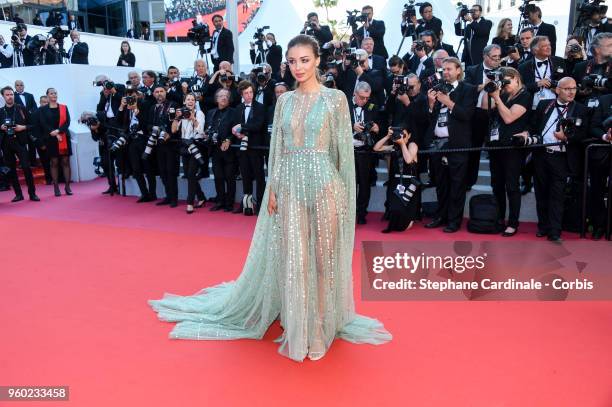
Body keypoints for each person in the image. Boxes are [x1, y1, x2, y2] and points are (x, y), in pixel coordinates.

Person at [149, 34, 392, 363]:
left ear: (318, 60)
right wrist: (273, 188)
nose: (298, 67)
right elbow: (277, 152)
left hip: (324, 184)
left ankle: (319, 326)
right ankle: (298, 324)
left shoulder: (335, 99)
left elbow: (342, 155)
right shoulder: (284, 101)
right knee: (295, 261)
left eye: (305, 60)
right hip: (289, 185)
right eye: (292, 61)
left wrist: (344, 196)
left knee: (322, 261)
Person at [517, 77, 588, 241]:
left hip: (562, 157)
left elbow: (583, 134)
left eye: (574, 89)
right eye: (567, 89)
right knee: (541, 192)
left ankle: (554, 231)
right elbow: (533, 125)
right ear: (557, 90)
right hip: (541, 154)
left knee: (557, 195)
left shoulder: (581, 109)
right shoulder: (544, 104)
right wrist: (527, 133)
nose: (571, 92)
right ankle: (543, 226)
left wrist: (566, 138)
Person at [425, 57, 477, 232]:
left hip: (457, 144)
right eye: (443, 69)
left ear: (458, 71)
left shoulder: (467, 90)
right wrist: (432, 105)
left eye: (449, 69)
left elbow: (467, 115)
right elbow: (429, 120)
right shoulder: (436, 90)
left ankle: (454, 221)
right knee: (441, 184)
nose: (445, 72)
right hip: (437, 144)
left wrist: (448, 102)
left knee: (457, 185)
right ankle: (440, 217)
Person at [481, 67, 531, 236]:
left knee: (511, 185)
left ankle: (513, 222)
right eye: (503, 81)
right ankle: (499, 218)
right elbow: (484, 107)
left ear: (517, 79)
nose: (506, 85)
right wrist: (488, 89)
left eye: (508, 81)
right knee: (497, 185)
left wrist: (497, 97)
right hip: (496, 146)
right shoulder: (502, 93)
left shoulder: (525, 95)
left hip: (512, 148)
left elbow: (509, 117)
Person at [374, 127, 420, 233]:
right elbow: (376, 148)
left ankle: (409, 220)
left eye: (404, 134)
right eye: (400, 134)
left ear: (409, 135)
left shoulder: (412, 145)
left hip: (409, 183)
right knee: (395, 208)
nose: (401, 137)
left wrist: (403, 144)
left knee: (404, 215)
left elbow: (408, 160)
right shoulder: (394, 147)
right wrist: (388, 136)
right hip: (396, 181)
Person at [231, 81, 266, 215]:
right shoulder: (238, 108)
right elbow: (234, 126)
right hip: (242, 147)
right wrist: (237, 132)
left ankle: (261, 205)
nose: (249, 95)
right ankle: (247, 204)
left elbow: (257, 125)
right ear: (241, 94)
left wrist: (241, 127)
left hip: (256, 147)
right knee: (245, 176)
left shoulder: (260, 107)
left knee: (259, 177)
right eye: (246, 93)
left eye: (251, 92)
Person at [0, 86, 39, 202]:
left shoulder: (22, 109)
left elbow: (33, 124)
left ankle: (32, 193)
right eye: (7, 95)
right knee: (11, 170)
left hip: (20, 142)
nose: (10, 96)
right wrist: (0, 127)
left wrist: (23, 127)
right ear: (3, 96)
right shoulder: (1, 112)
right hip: (6, 143)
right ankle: (18, 194)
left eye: (11, 94)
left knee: (26, 168)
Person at [172, 93, 206, 214]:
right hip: (184, 147)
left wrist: (193, 118)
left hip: (195, 146)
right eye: (188, 99)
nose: (190, 101)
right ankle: (201, 197)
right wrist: (176, 117)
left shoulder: (199, 113)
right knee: (188, 174)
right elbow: (174, 130)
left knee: (191, 174)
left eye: (192, 99)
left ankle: (190, 202)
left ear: (195, 102)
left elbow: (201, 132)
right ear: (184, 101)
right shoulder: (181, 114)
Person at [39, 88, 72, 197]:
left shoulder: (63, 107)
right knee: (54, 162)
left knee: (66, 161)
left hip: (63, 138)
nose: (54, 95)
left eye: (55, 93)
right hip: (51, 138)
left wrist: (58, 131)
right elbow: (43, 123)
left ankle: (67, 186)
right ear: (47, 95)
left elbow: (67, 122)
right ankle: (56, 187)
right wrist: (53, 132)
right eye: (51, 93)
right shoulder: (43, 109)